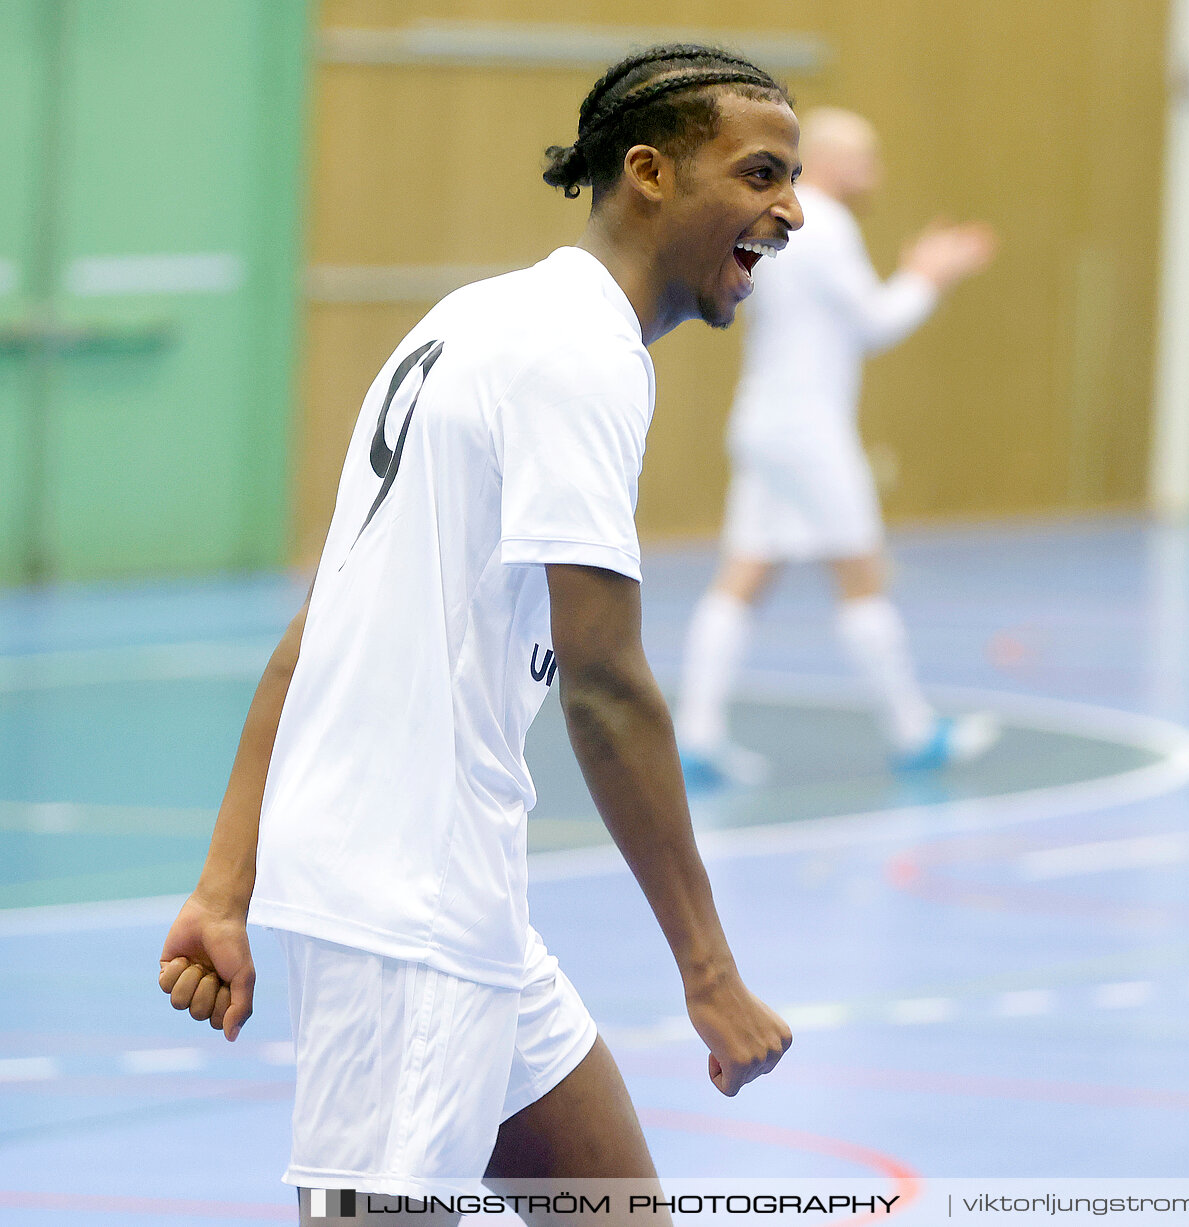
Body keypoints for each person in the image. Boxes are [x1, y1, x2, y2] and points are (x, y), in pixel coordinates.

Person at [154, 45, 800, 1213]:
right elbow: (605, 683)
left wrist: (225, 882)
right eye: (759, 175)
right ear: (649, 172)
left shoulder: (475, 318)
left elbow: (316, 633)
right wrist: (709, 972)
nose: (788, 210)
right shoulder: (578, 355)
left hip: (451, 892)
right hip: (412, 906)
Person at [673, 107, 998, 787]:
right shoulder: (824, 224)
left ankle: (697, 735)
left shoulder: (781, 223)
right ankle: (913, 734)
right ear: (833, 161)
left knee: (745, 574)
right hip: (808, 434)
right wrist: (930, 276)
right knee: (861, 576)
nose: (875, 173)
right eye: (867, 158)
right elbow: (874, 324)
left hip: (764, 422)